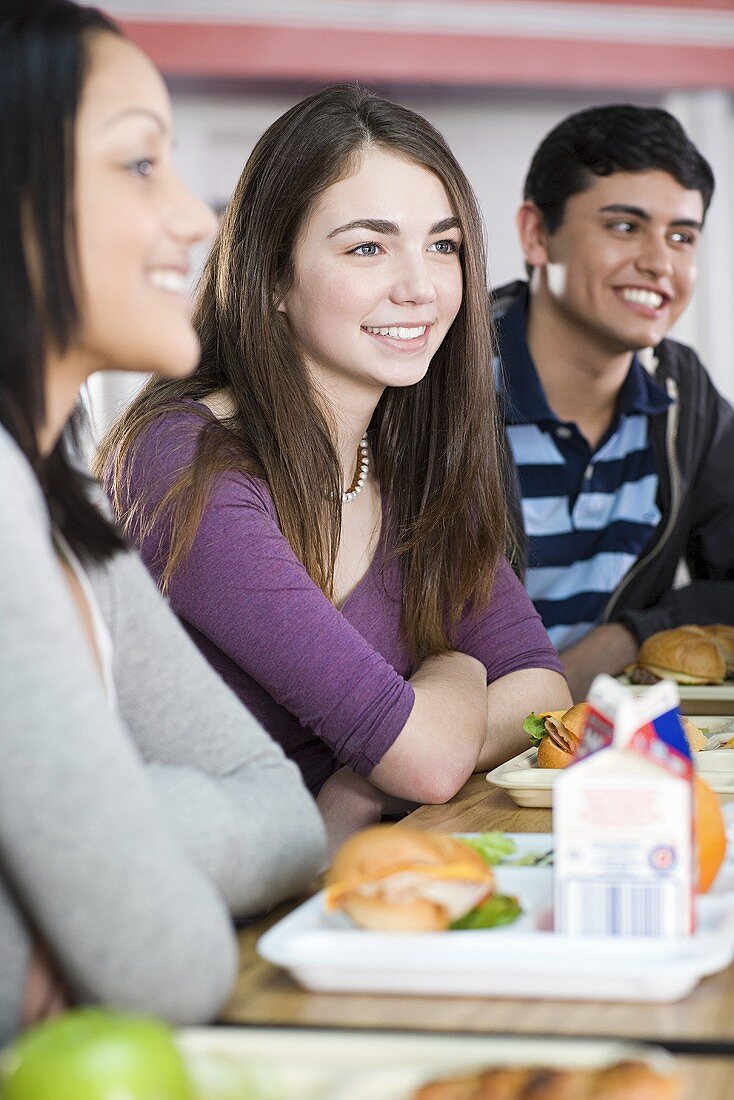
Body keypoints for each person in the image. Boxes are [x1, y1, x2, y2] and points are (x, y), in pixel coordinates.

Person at [98, 84, 571, 848]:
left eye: (443, 245)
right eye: (367, 247)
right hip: (203, 920)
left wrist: (368, 770)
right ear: (274, 277)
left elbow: (541, 687)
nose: (421, 286)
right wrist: (452, 669)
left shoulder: (408, 458)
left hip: (337, 893)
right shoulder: (184, 460)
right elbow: (424, 762)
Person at [0, 1, 326, 1045]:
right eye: (139, 164)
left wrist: (100, 837)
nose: (195, 217)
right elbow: (170, 968)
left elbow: (286, 816)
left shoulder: (56, 493)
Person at [494, 104, 734, 701]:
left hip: (595, 750)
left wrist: (630, 636)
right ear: (536, 233)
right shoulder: (436, 385)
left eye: (682, 236)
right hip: (434, 767)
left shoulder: (683, 395)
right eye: (625, 226)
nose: (659, 263)